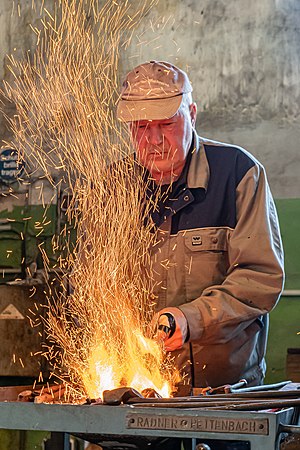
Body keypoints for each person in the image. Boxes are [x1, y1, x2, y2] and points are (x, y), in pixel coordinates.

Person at [117, 60, 284, 392]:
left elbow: (260, 279)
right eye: (140, 127)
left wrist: (190, 319)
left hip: (224, 390)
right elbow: (98, 285)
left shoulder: (238, 173)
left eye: (166, 124)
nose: (153, 140)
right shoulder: (114, 187)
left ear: (192, 114)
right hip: (141, 387)